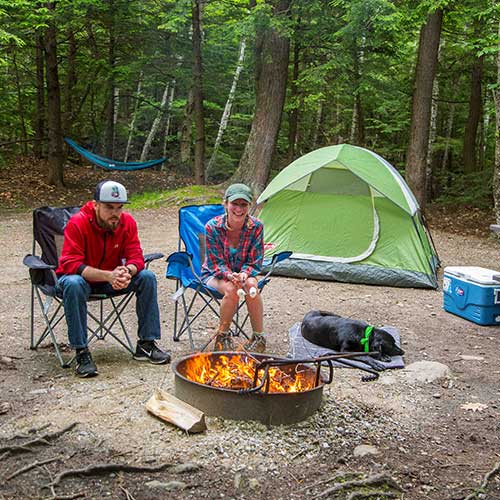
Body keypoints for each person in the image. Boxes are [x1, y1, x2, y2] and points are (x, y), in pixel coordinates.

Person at [55, 180, 170, 377]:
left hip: (113, 279)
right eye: (109, 207)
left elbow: (136, 257)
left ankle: (146, 344)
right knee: (73, 283)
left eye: (119, 207)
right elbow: (71, 264)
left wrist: (127, 272)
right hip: (80, 282)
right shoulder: (78, 223)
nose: (115, 213)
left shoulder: (127, 223)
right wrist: (108, 275)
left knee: (147, 276)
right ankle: (81, 351)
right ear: (95, 205)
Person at [201, 183, 266, 352]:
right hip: (215, 274)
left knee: (252, 286)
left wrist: (244, 273)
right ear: (225, 204)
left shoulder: (257, 227)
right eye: (234, 204)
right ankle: (222, 337)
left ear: (249, 206)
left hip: (244, 272)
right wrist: (230, 275)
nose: (239, 209)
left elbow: (255, 261)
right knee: (231, 289)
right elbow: (215, 263)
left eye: (243, 204)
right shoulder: (212, 227)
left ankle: (259, 338)